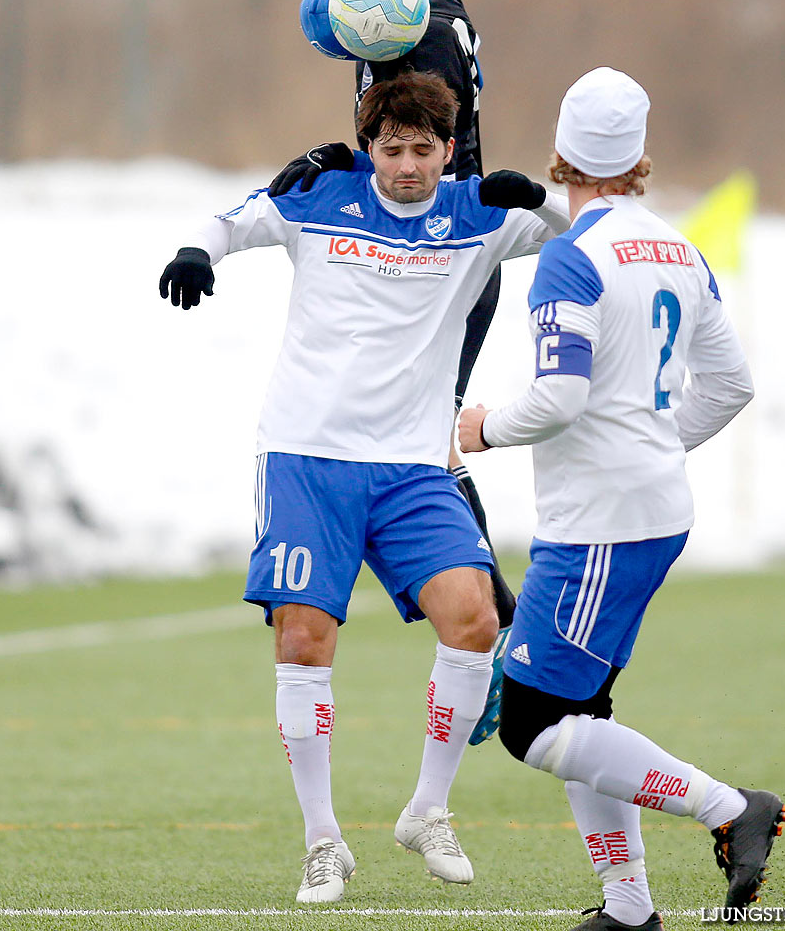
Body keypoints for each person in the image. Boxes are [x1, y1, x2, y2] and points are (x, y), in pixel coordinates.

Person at [160, 70, 570, 903]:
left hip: (414, 467)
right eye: (391, 148)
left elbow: (586, 242)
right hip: (307, 460)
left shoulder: (478, 213)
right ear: (368, 145)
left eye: (424, 149)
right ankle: (322, 841)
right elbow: (236, 218)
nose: (408, 166)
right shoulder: (322, 193)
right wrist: (199, 250)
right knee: (304, 641)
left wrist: (541, 198)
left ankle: (428, 808)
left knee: (475, 620)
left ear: (448, 150)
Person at [457, 67, 785, 929]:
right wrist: (650, 443)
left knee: (532, 724)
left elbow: (559, 398)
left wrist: (478, 427)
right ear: (640, 158)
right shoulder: (681, 248)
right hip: (648, 510)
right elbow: (732, 385)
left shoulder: (572, 257)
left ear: (561, 154)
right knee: (582, 713)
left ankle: (728, 808)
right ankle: (629, 907)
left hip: (603, 524)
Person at [274, 0, 514, 746]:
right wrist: (335, 157)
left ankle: (504, 643)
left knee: (433, 440)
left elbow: (412, 157)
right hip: (427, 256)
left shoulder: (421, 50)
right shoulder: (407, 11)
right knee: (430, 440)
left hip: (447, 260)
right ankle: (499, 629)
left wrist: (344, 163)